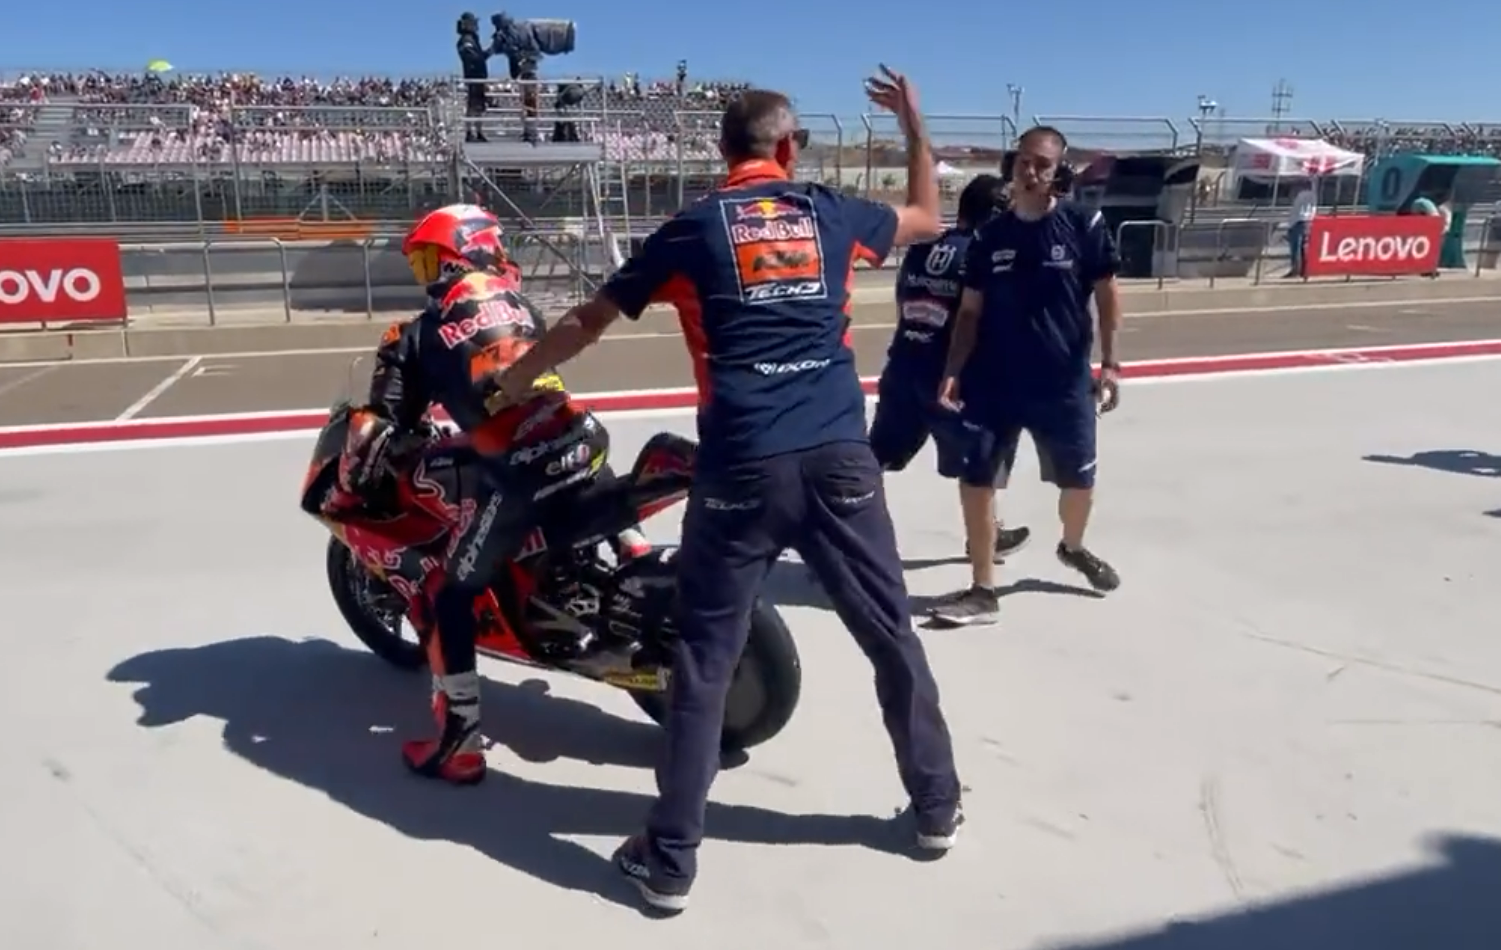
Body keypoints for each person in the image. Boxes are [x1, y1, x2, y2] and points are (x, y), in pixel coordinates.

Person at [489, 67, 964, 914]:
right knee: (889, 634)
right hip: (838, 460)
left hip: (742, 464)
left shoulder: (691, 229)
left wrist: (515, 381)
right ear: (788, 149)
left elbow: (588, 321)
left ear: (722, 150)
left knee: (705, 660)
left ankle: (670, 860)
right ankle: (936, 807)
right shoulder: (830, 212)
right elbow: (927, 215)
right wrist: (913, 127)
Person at [339, 202, 645, 785]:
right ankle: (636, 553)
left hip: (516, 471)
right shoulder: (522, 306)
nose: (425, 275)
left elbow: (383, 420)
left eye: (428, 260)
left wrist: (373, 451)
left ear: (457, 254)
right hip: (581, 436)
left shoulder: (416, 332)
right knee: (579, 459)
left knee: (449, 593)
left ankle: (459, 744)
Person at [933, 125, 1123, 625]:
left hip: (1063, 384)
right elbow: (969, 312)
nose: (1031, 171)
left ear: (1059, 171)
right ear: (1011, 165)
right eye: (1024, 162)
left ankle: (1072, 546)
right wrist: (953, 369)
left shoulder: (1084, 225)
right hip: (994, 383)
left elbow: (1107, 296)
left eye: (1043, 164)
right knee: (977, 480)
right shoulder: (988, 237)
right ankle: (982, 589)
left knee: (1078, 483)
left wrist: (1110, 363)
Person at [868, 172, 1032, 624]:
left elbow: (905, 301)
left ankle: (839, 544)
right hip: (956, 381)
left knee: (872, 460)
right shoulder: (987, 256)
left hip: (905, 367)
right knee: (980, 473)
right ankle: (984, 588)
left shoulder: (923, 249)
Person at [456, 13, 491, 143]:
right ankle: (471, 132)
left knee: (479, 106)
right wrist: (485, 55)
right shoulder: (466, 40)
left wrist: (489, 52)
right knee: (473, 105)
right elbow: (471, 57)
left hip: (478, 76)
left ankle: (477, 131)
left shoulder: (473, 39)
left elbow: (478, 57)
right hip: (473, 75)